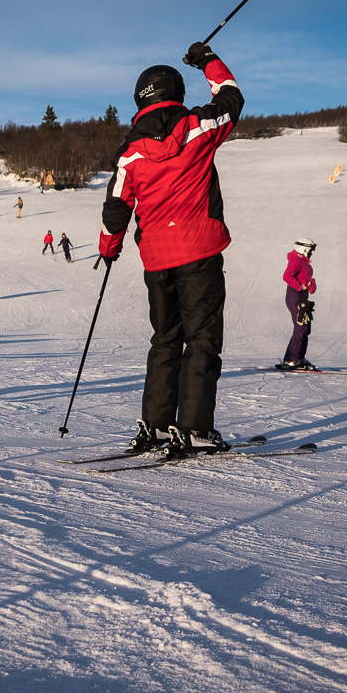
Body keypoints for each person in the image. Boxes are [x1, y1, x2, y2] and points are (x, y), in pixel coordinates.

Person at [98, 40, 243, 455]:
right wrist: (207, 61)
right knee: (202, 340)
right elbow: (231, 98)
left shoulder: (130, 153)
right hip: (198, 252)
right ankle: (195, 428)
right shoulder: (197, 127)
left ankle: (157, 426)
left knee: (165, 339)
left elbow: (116, 204)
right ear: (176, 93)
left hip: (157, 259)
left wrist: (110, 248)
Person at [280, 238, 318, 370]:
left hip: (302, 297)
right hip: (295, 295)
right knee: (300, 327)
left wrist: (309, 284)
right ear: (304, 249)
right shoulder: (296, 261)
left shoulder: (302, 262)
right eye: (311, 250)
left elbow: (310, 285)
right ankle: (291, 359)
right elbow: (287, 276)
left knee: (305, 328)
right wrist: (301, 286)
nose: (312, 253)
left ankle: (299, 357)